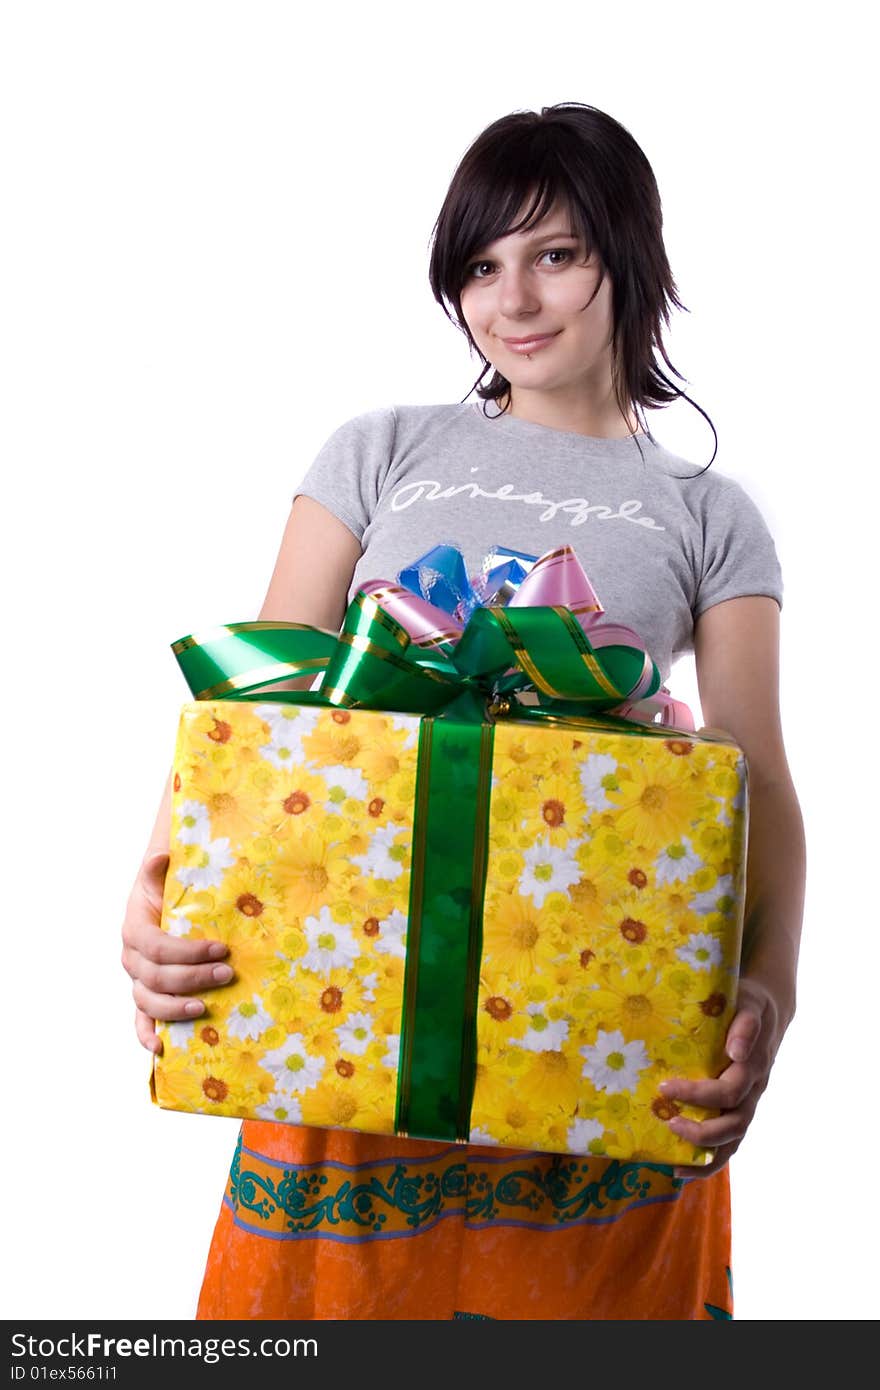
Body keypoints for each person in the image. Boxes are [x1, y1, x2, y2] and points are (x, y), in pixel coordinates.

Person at [121, 102, 806, 1320]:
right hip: (353, 1013)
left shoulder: (708, 511)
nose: (514, 301)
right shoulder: (378, 448)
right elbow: (264, 717)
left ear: (628, 254)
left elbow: (754, 780)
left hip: (599, 1036)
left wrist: (766, 988)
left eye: (556, 255)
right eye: (481, 266)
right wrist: (156, 887)